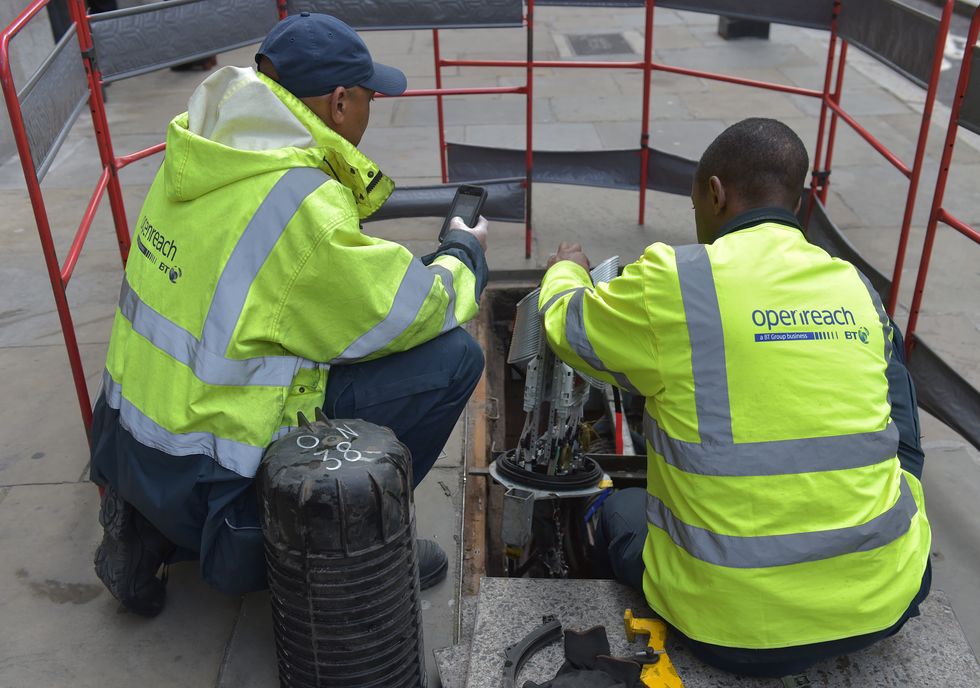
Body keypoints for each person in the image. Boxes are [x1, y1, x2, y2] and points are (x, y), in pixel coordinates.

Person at [90, 12, 488, 617]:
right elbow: (410, 310)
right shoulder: (299, 202)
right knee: (456, 358)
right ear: (338, 103)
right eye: (369, 98)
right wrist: (464, 253)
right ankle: (353, 549)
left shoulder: (202, 148)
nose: (370, 110)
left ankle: (150, 531)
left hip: (132, 439)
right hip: (216, 478)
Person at [538, 118, 930, 677]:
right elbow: (904, 425)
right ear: (796, 200)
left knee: (620, 507)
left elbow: (569, 326)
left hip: (729, 628)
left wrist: (567, 273)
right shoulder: (854, 286)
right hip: (886, 600)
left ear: (715, 192)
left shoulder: (680, 279)